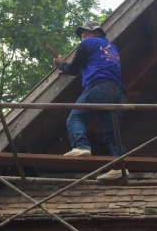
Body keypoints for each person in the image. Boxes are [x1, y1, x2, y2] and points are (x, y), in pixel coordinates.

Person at [53, 21, 129, 180]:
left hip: (99, 85)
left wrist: (61, 64)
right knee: (112, 132)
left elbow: (73, 70)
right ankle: (120, 166)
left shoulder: (88, 43)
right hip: (117, 92)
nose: (82, 37)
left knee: (75, 116)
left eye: (83, 33)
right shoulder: (112, 48)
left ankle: (81, 145)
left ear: (88, 33)